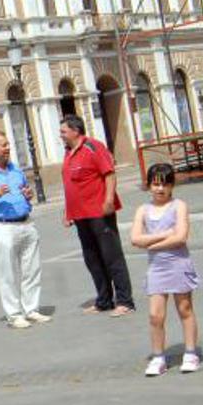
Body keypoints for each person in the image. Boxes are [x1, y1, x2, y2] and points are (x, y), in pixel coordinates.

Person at [0, 133, 50, 329]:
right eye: (3, 145)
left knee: (31, 268)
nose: (7, 148)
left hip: (26, 223)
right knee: (8, 273)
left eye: (7, 145)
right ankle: (14, 314)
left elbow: (24, 190)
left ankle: (31, 309)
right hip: (3, 226)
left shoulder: (16, 170)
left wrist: (28, 195)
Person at [60, 114, 134, 317]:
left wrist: (109, 199)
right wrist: (68, 212)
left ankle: (125, 300)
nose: (61, 136)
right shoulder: (68, 152)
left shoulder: (93, 146)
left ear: (75, 131)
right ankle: (104, 300)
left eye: (63, 131)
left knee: (112, 256)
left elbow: (109, 173)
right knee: (92, 258)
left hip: (99, 211)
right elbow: (70, 185)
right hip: (80, 215)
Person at [129, 163, 199, 376]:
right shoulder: (143, 210)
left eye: (165, 184)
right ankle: (158, 357)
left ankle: (190, 353)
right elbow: (134, 239)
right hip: (156, 268)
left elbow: (180, 237)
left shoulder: (179, 206)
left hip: (178, 264)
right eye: (155, 184)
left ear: (171, 185)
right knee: (155, 316)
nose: (160, 189)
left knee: (184, 309)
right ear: (149, 185)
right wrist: (163, 235)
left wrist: (150, 245)